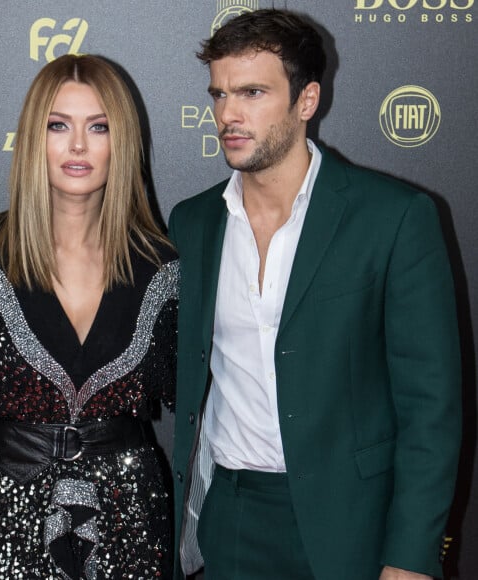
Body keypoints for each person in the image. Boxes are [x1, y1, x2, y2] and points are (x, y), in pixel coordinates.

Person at [168, 9, 461, 580]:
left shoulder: (394, 218)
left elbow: (432, 407)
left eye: (252, 92)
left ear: (307, 101)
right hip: (230, 513)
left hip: (351, 520)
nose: (228, 113)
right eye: (219, 94)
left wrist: (410, 556)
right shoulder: (193, 223)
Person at [0, 54, 178, 580]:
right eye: (59, 125)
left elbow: (197, 401)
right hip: (3, 524)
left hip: (132, 526)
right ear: (35, 139)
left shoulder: (164, 270)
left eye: (98, 127)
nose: (77, 145)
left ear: (121, 142)